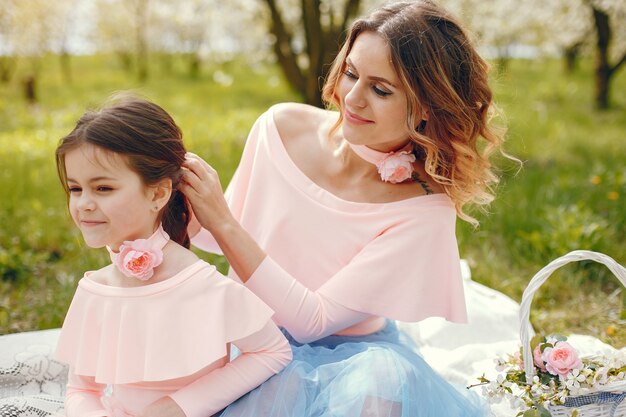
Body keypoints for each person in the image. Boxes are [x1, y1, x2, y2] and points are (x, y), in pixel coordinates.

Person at [181, 1, 508, 415]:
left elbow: (311, 321)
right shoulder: (280, 129)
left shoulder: (423, 208)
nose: (352, 98)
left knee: (377, 386)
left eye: (381, 89)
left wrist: (223, 221)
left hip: (352, 361)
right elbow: (207, 231)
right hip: (248, 340)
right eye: (351, 73)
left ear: (428, 107)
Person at [52, 96, 292, 417]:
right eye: (75, 189)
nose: (83, 204)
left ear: (158, 193)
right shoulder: (96, 288)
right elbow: (82, 388)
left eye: (103, 188)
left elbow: (271, 350)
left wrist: (176, 407)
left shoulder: (199, 283)